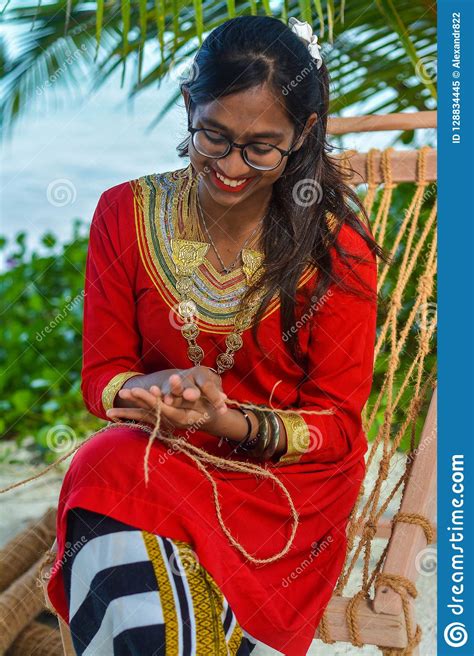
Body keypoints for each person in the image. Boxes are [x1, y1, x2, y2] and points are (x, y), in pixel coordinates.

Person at [46, 14, 386, 656]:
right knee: (104, 459)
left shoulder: (334, 250)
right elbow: (102, 379)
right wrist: (153, 391)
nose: (232, 166)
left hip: (282, 492)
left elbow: (339, 425)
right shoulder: (126, 213)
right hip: (162, 459)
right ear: (187, 106)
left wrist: (228, 421)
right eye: (214, 136)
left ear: (305, 132)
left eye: (262, 146)